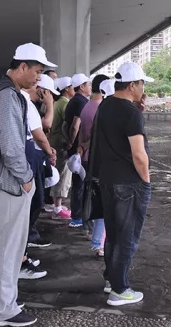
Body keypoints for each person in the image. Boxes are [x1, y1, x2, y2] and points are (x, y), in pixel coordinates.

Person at [0, 43, 56, 327]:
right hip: (9, 181)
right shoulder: (9, 96)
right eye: (37, 71)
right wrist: (26, 179)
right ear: (22, 66)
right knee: (9, 249)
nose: (39, 77)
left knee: (0, 246)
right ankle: (4, 310)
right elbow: (11, 147)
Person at [95, 62, 153, 307]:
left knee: (113, 234)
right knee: (126, 237)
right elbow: (138, 154)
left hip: (108, 179)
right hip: (129, 183)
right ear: (132, 85)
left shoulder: (106, 105)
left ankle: (112, 279)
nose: (143, 88)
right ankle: (120, 289)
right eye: (142, 84)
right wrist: (146, 180)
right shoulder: (130, 113)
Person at [23, 75, 57, 249]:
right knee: (35, 199)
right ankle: (28, 236)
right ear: (42, 91)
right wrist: (49, 105)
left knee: (36, 198)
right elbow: (44, 128)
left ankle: (29, 234)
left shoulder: (30, 104)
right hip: (33, 156)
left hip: (35, 154)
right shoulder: (29, 104)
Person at [77, 74, 109, 256]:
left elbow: (79, 131)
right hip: (96, 158)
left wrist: (80, 148)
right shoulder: (100, 108)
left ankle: (89, 229)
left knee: (88, 195)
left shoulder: (87, 106)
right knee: (101, 201)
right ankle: (97, 240)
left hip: (86, 157)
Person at [64, 73, 91, 228]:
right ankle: (77, 217)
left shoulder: (74, 100)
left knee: (77, 183)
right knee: (80, 184)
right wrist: (72, 143)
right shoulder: (81, 102)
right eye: (88, 84)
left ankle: (76, 216)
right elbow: (75, 126)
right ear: (82, 86)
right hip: (78, 149)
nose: (90, 87)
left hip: (74, 148)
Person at [46, 76, 74, 219]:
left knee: (59, 173)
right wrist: (70, 141)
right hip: (61, 143)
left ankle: (57, 205)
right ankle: (57, 207)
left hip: (55, 141)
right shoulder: (65, 104)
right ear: (67, 89)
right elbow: (67, 125)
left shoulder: (58, 102)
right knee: (63, 175)